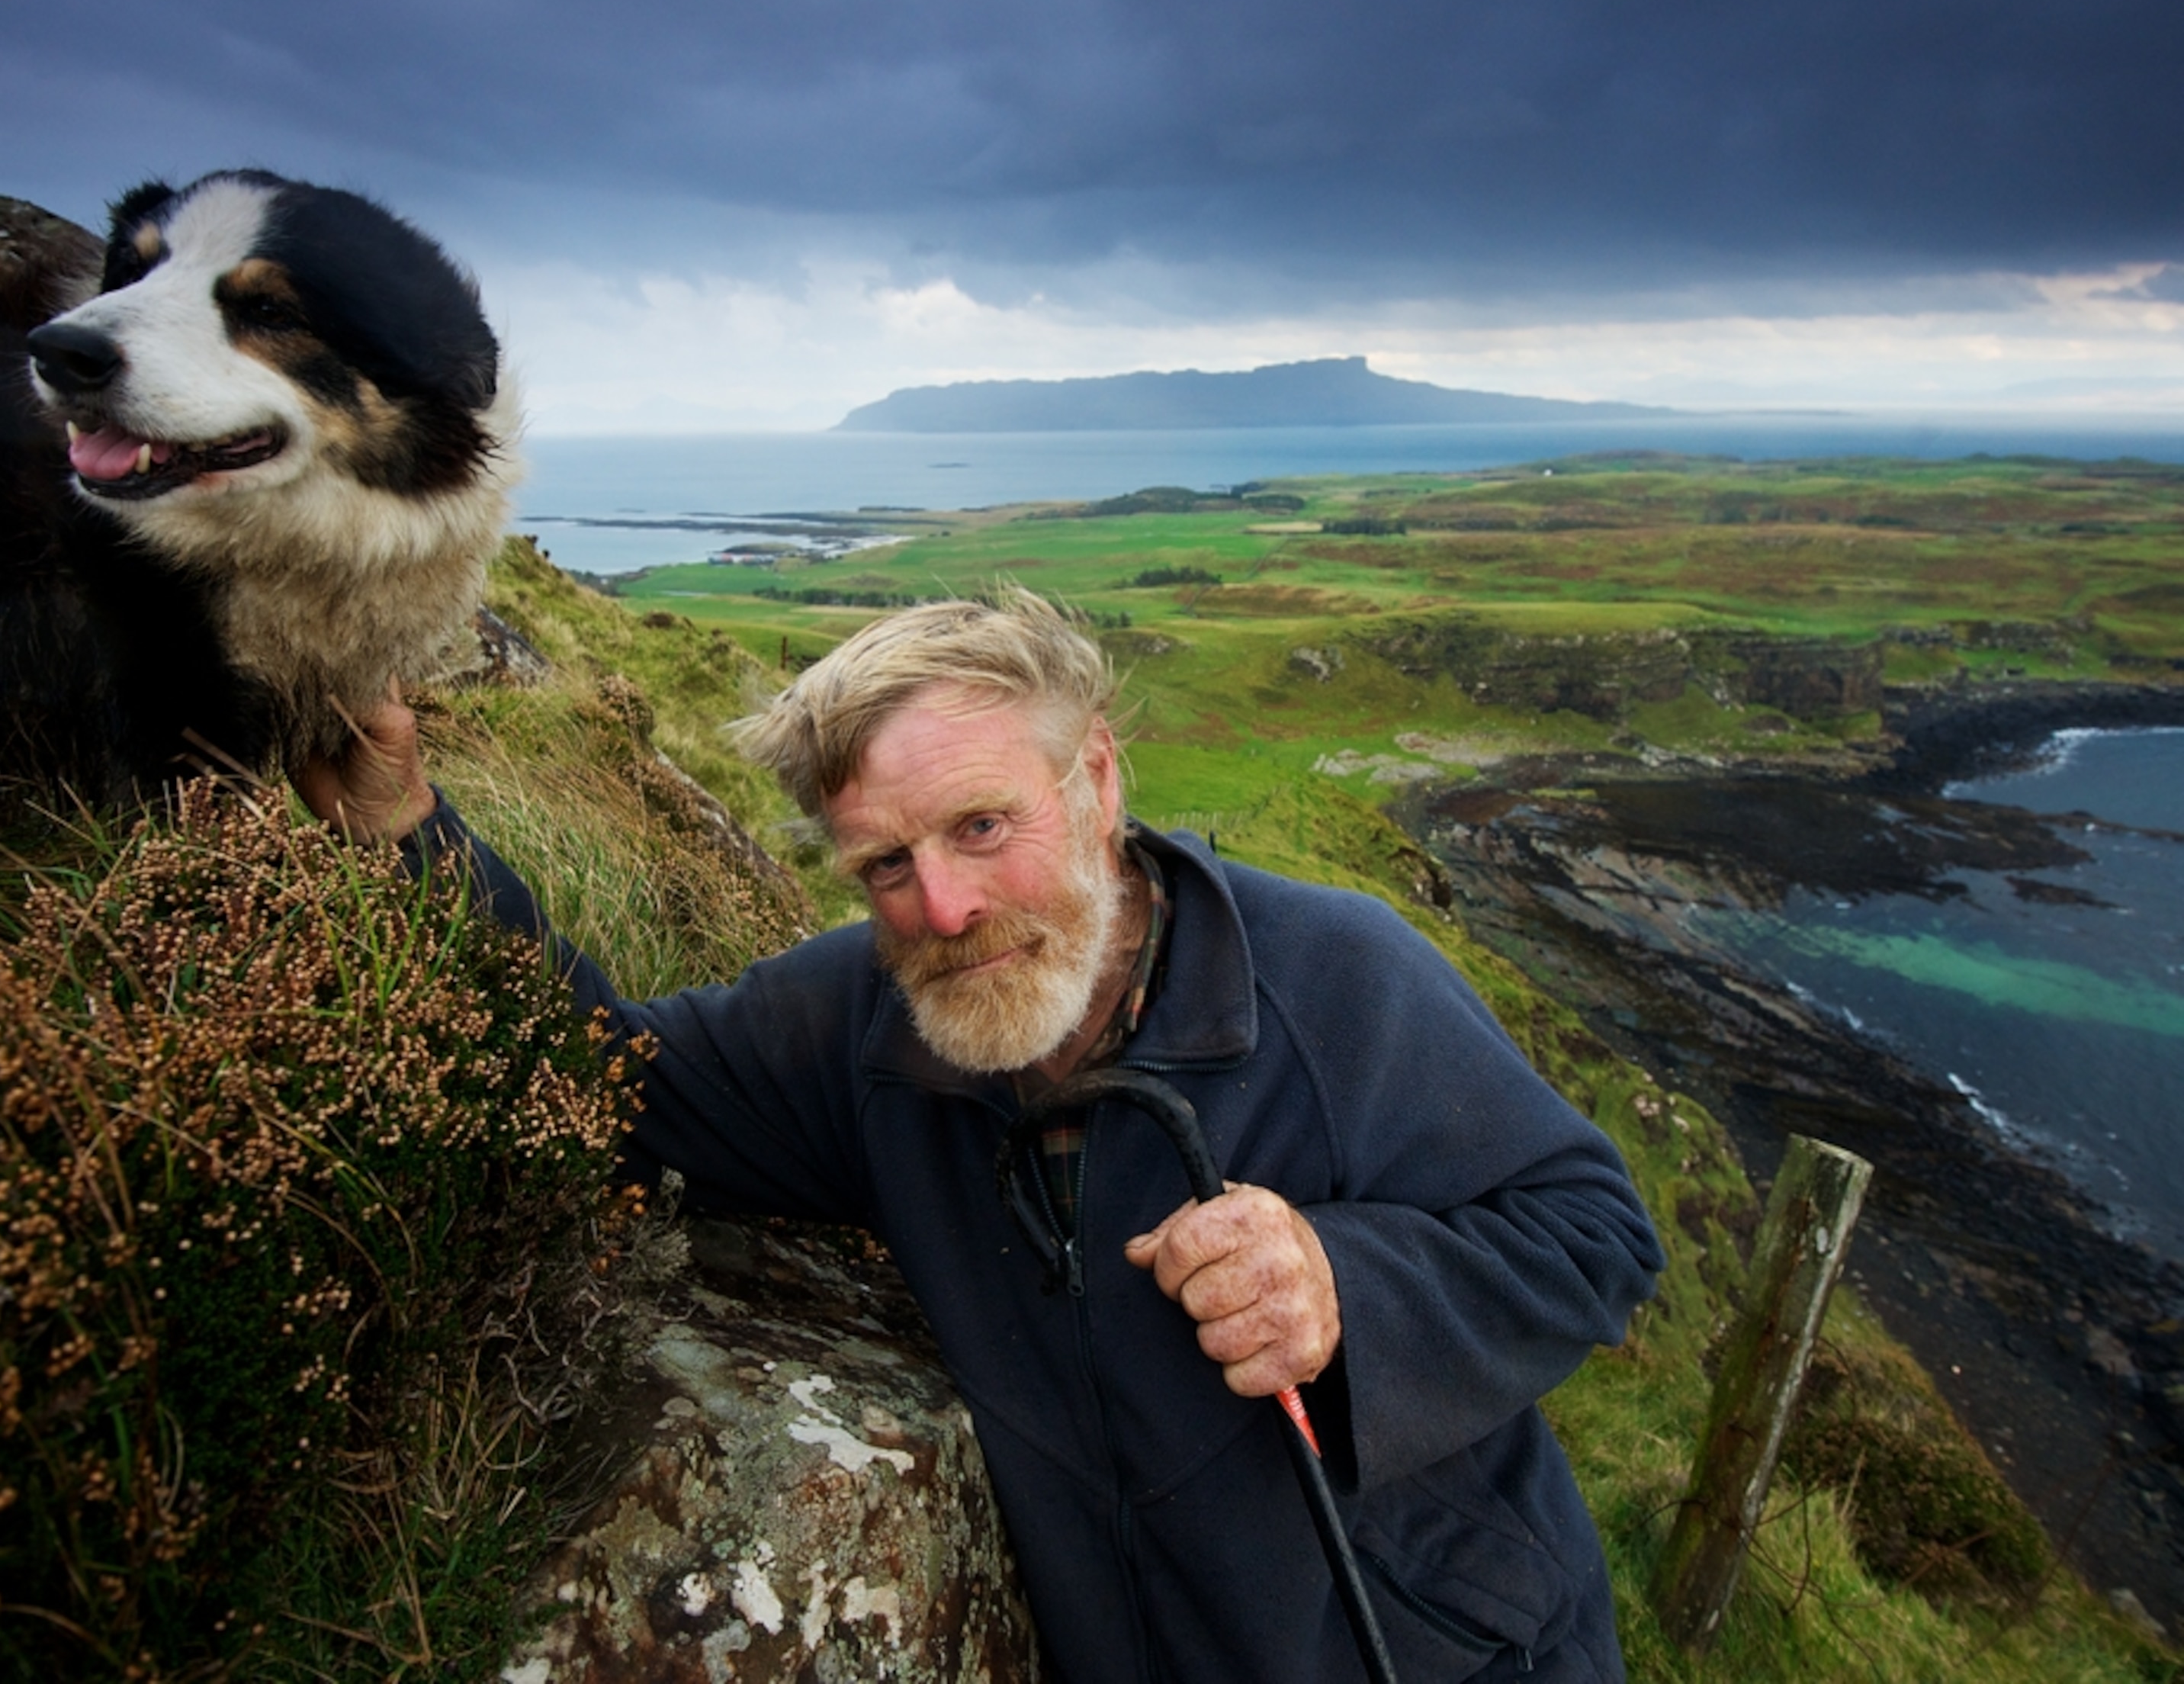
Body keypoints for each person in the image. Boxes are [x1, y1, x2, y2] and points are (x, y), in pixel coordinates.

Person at [299, 590, 1664, 1683]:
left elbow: (1594, 1233)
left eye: (983, 826)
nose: (942, 907)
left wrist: (1340, 1284)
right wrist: (404, 829)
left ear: (1099, 782)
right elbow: (605, 1084)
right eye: (885, 865)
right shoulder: (860, 1027)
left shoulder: (1337, 977)